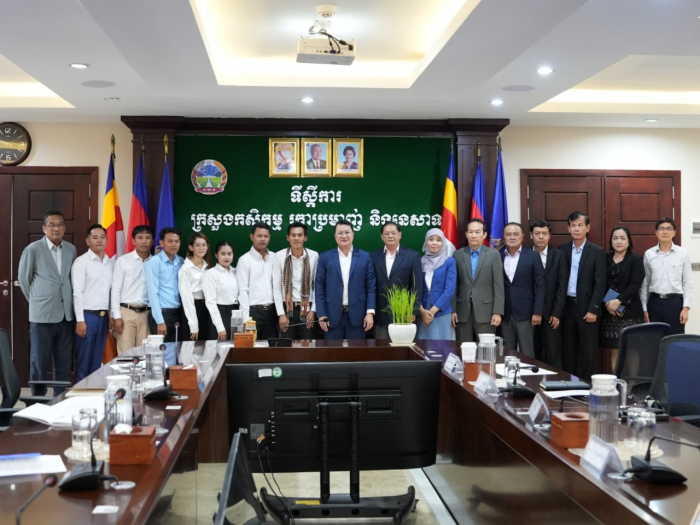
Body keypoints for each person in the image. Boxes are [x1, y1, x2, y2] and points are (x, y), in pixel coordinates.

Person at [17, 210, 77, 395]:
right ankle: (37, 398)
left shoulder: (71, 249)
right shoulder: (33, 249)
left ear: (64, 228)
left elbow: (70, 278)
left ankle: (60, 397)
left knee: (63, 361)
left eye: (60, 225)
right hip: (42, 315)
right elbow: (24, 280)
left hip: (66, 314)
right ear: (44, 228)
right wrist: (38, 301)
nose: (56, 228)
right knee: (39, 361)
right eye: (52, 225)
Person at [558, 211, 606, 379]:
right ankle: (569, 384)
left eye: (580, 225)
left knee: (589, 350)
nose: (576, 229)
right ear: (568, 228)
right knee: (568, 349)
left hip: (587, 308)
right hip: (567, 307)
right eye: (573, 226)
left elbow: (600, 283)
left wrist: (594, 309)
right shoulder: (562, 250)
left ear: (588, 228)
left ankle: (588, 387)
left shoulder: (597, 251)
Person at [315, 219, 376, 339]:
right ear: (335, 236)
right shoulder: (325, 257)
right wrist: (321, 314)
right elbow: (319, 286)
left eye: (347, 232)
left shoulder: (365, 256)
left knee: (356, 350)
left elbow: (371, 286)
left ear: (353, 234)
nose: (344, 236)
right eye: (340, 233)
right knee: (332, 350)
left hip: (358, 315)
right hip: (331, 315)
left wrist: (370, 312)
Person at [71, 224, 113, 382]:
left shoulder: (109, 262)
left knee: (97, 358)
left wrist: (110, 315)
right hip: (87, 316)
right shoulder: (81, 262)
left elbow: (110, 291)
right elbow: (77, 292)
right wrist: (80, 320)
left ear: (107, 240)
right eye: (95, 238)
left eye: (102, 237)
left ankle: (93, 389)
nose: (99, 240)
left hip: (103, 317)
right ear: (87, 241)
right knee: (84, 358)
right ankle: (81, 390)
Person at [451, 218, 504, 342]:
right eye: (470, 232)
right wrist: (453, 310)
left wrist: (498, 312)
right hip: (462, 311)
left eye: (477, 232)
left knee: (486, 348)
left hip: (486, 312)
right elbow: (454, 285)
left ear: (484, 235)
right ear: (466, 234)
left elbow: (498, 285)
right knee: (464, 348)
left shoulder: (493, 255)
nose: (473, 235)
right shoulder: (458, 254)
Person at [600, 226, 645, 371]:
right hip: (609, 310)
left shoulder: (636, 259)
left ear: (628, 241)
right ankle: (616, 382)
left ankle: (631, 382)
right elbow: (600, 282)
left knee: (632, 349)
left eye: (622, 238)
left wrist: (618, 301)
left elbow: (636, 283)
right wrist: (609, 303)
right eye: (615, 238)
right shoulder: (604, 258)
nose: (618, 241)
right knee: (615, 349)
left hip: (630, 312)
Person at [370, 221, 422, 339]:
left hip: (404, 313)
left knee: (401, 347)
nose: (390, 236)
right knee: (381, 347)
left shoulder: (412, 256)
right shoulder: (373, 256)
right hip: (380, 313)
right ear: (381, 236)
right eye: (386, 233)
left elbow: (417, 286)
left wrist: (413, 311)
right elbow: (370, 285)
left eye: (393, 233)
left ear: (400, 235)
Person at [640, 218, 692, 335]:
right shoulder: (649, 254)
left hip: (675, 303)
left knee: (675, 339)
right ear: (656, 232)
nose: (665, 232)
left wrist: (686, 308)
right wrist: (644, 308)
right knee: (654, 339)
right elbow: (645, 283)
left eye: (669, 229)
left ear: (674, 232)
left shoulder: (683, 253)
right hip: (654, 302)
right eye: (661, 229)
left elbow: (687, 282)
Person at [500, 222, 544, 358]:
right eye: (508, 234)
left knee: (527, 353)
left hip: (526, 313)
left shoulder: (533, 256)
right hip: (505, 313)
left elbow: (541, 285)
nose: (512, 237)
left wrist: (537, 311)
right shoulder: (498, 256)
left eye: (516, 234)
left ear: (523, 237)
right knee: (507, 353)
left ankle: (528, 373)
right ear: (504, 237)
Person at [111, 225, 154, 354]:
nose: (144, 241)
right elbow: (115, 290)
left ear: (152, 241)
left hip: (147, 314)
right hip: (126, 313)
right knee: (126, 354)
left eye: (147, 238)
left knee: (145, 354)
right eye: (140, 238)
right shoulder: (123, 261)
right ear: (133, 241)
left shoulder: (155, 262)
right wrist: (116, 317)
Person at [530, 221, 567, 368]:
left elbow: (562, 286)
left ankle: (556, 381)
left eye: (544, 233)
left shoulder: (559, 255)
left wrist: (557, 313)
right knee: (532, 353)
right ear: (531, 235)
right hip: (529, 314)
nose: (541, 237)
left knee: (553, 354)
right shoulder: (525, 254)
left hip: (551, 314)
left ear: (549, 235)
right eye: (537, 233)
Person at [273, 222, 319, 340]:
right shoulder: (279, 256)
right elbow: (276, 287)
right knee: (285, 345)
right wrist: (281, 313)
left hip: (307, 309)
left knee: (308, 345)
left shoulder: (314, 256)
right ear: (288, 237)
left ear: (305, 238)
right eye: (293, 235)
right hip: (287, 309)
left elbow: (317, 286)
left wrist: (313, 310)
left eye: (300, 235)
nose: (296, 238)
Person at [237, 222, 277, 340]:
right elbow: (242, 291)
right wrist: (245, 318)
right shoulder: (244, 260)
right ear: (252, 237)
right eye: (259, 236)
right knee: (251, 346)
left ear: (269, 237)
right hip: (253, 313)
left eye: (266, 236)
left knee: (271, 347)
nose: (262, 239)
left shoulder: (275, 257)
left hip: (273, 312)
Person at [145, 227, 185, 342]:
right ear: (161, 243)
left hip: (177, 314)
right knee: (162, 350)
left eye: (177, 241)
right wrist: (160, 321)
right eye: (170, 241)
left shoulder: (181, 261)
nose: (174, 244)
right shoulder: (154, 262)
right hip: (162, 314)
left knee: (177, 349)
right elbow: (152, 293)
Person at [417, 228, 456, 340]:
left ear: (443, 243)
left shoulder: (449, 262)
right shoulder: (419, 261)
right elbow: (415, 287)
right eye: (431, 239)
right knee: (422, 345)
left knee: (441, 345)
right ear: (426, 242)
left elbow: (449, 290)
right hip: (422, 311)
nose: (434, 243)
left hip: (441, 310)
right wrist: (422, 311)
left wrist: (432, 312)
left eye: (438, 240)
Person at [203, 241, 239, 340]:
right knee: (219, 347)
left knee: (236, 347)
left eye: (229, 254)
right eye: (223, 254)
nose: (226, 257)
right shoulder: (211, 273)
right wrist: (219, 327)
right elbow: (210, 302)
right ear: (216, 255)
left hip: (236, 314)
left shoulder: (236, 272)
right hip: (220, 314)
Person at [179, 233, 212, 341]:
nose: (201, 248)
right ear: (191, 247)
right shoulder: (185, 269)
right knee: (191, 346)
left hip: (206, 308)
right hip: (192, 308)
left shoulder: (207, 267)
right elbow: (186, 297)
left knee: (205, 345)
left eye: (204, 245)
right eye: (197, 245)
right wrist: (193, 324)